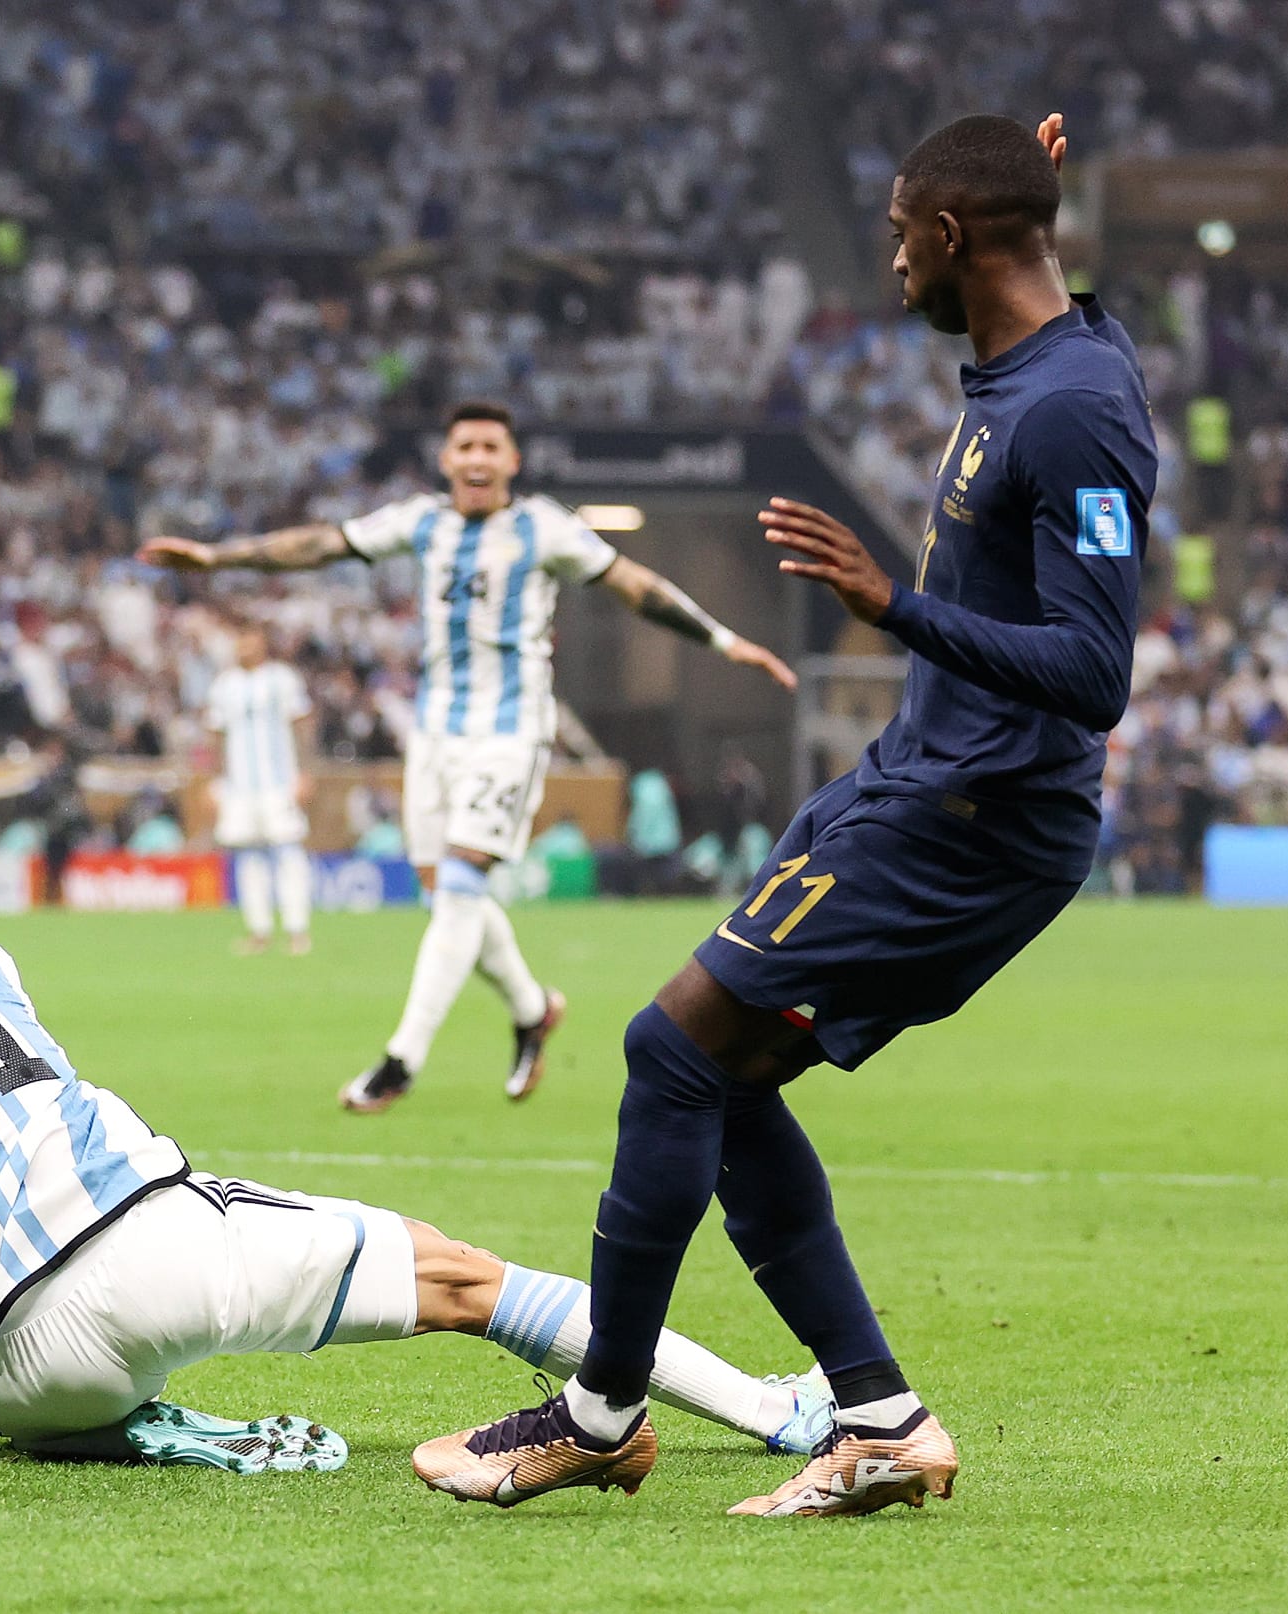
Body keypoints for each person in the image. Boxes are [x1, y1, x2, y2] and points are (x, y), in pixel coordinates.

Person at [416, 113, 1154, 1518]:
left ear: (951, 238)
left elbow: (1097, 669)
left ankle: (598, 1412)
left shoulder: (1072, 410)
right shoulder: (1033, 365)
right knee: (720, 1073)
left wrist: (896, 607)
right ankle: (877, 1419)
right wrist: (1027, 175)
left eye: (900, 230)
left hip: (972, 817)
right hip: (910, 780)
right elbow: (1031, 257)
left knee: (668, 1046)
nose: (886, 255)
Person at [0, 853, 835, 1473]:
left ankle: (141, 1431)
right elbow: (6, 1115)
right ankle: (778, 1416)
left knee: (15, 1339)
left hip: (12, 1381)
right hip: (157, 1246)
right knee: (472, 1284)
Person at [140, 401, 796, 1112]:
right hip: (434, 734)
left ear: (511, 461)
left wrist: (724, 641)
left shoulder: (543, 528)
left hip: (510, 730)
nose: (478, 458)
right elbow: (322, 544)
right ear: (448, 460)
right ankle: (532, 1007)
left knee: (457, 888)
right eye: (466, 447)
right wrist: (216, 557)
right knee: (447, 895)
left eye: (491, 446)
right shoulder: (421, 522)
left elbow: (634, 586)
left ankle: (400, 1060)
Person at [205, 622, 316, 955]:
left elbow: (302, 725)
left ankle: (297, 930)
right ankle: (259, 931)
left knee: (288, 852)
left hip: (279, 782)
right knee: (248, 857)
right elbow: (216, 736)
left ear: (263, 644)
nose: (245, 648)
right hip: (238, 787)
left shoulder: (283, 679)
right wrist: (214, 782)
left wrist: (306, 773)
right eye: (241, 642)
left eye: (251, 642)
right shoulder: (224, 685)